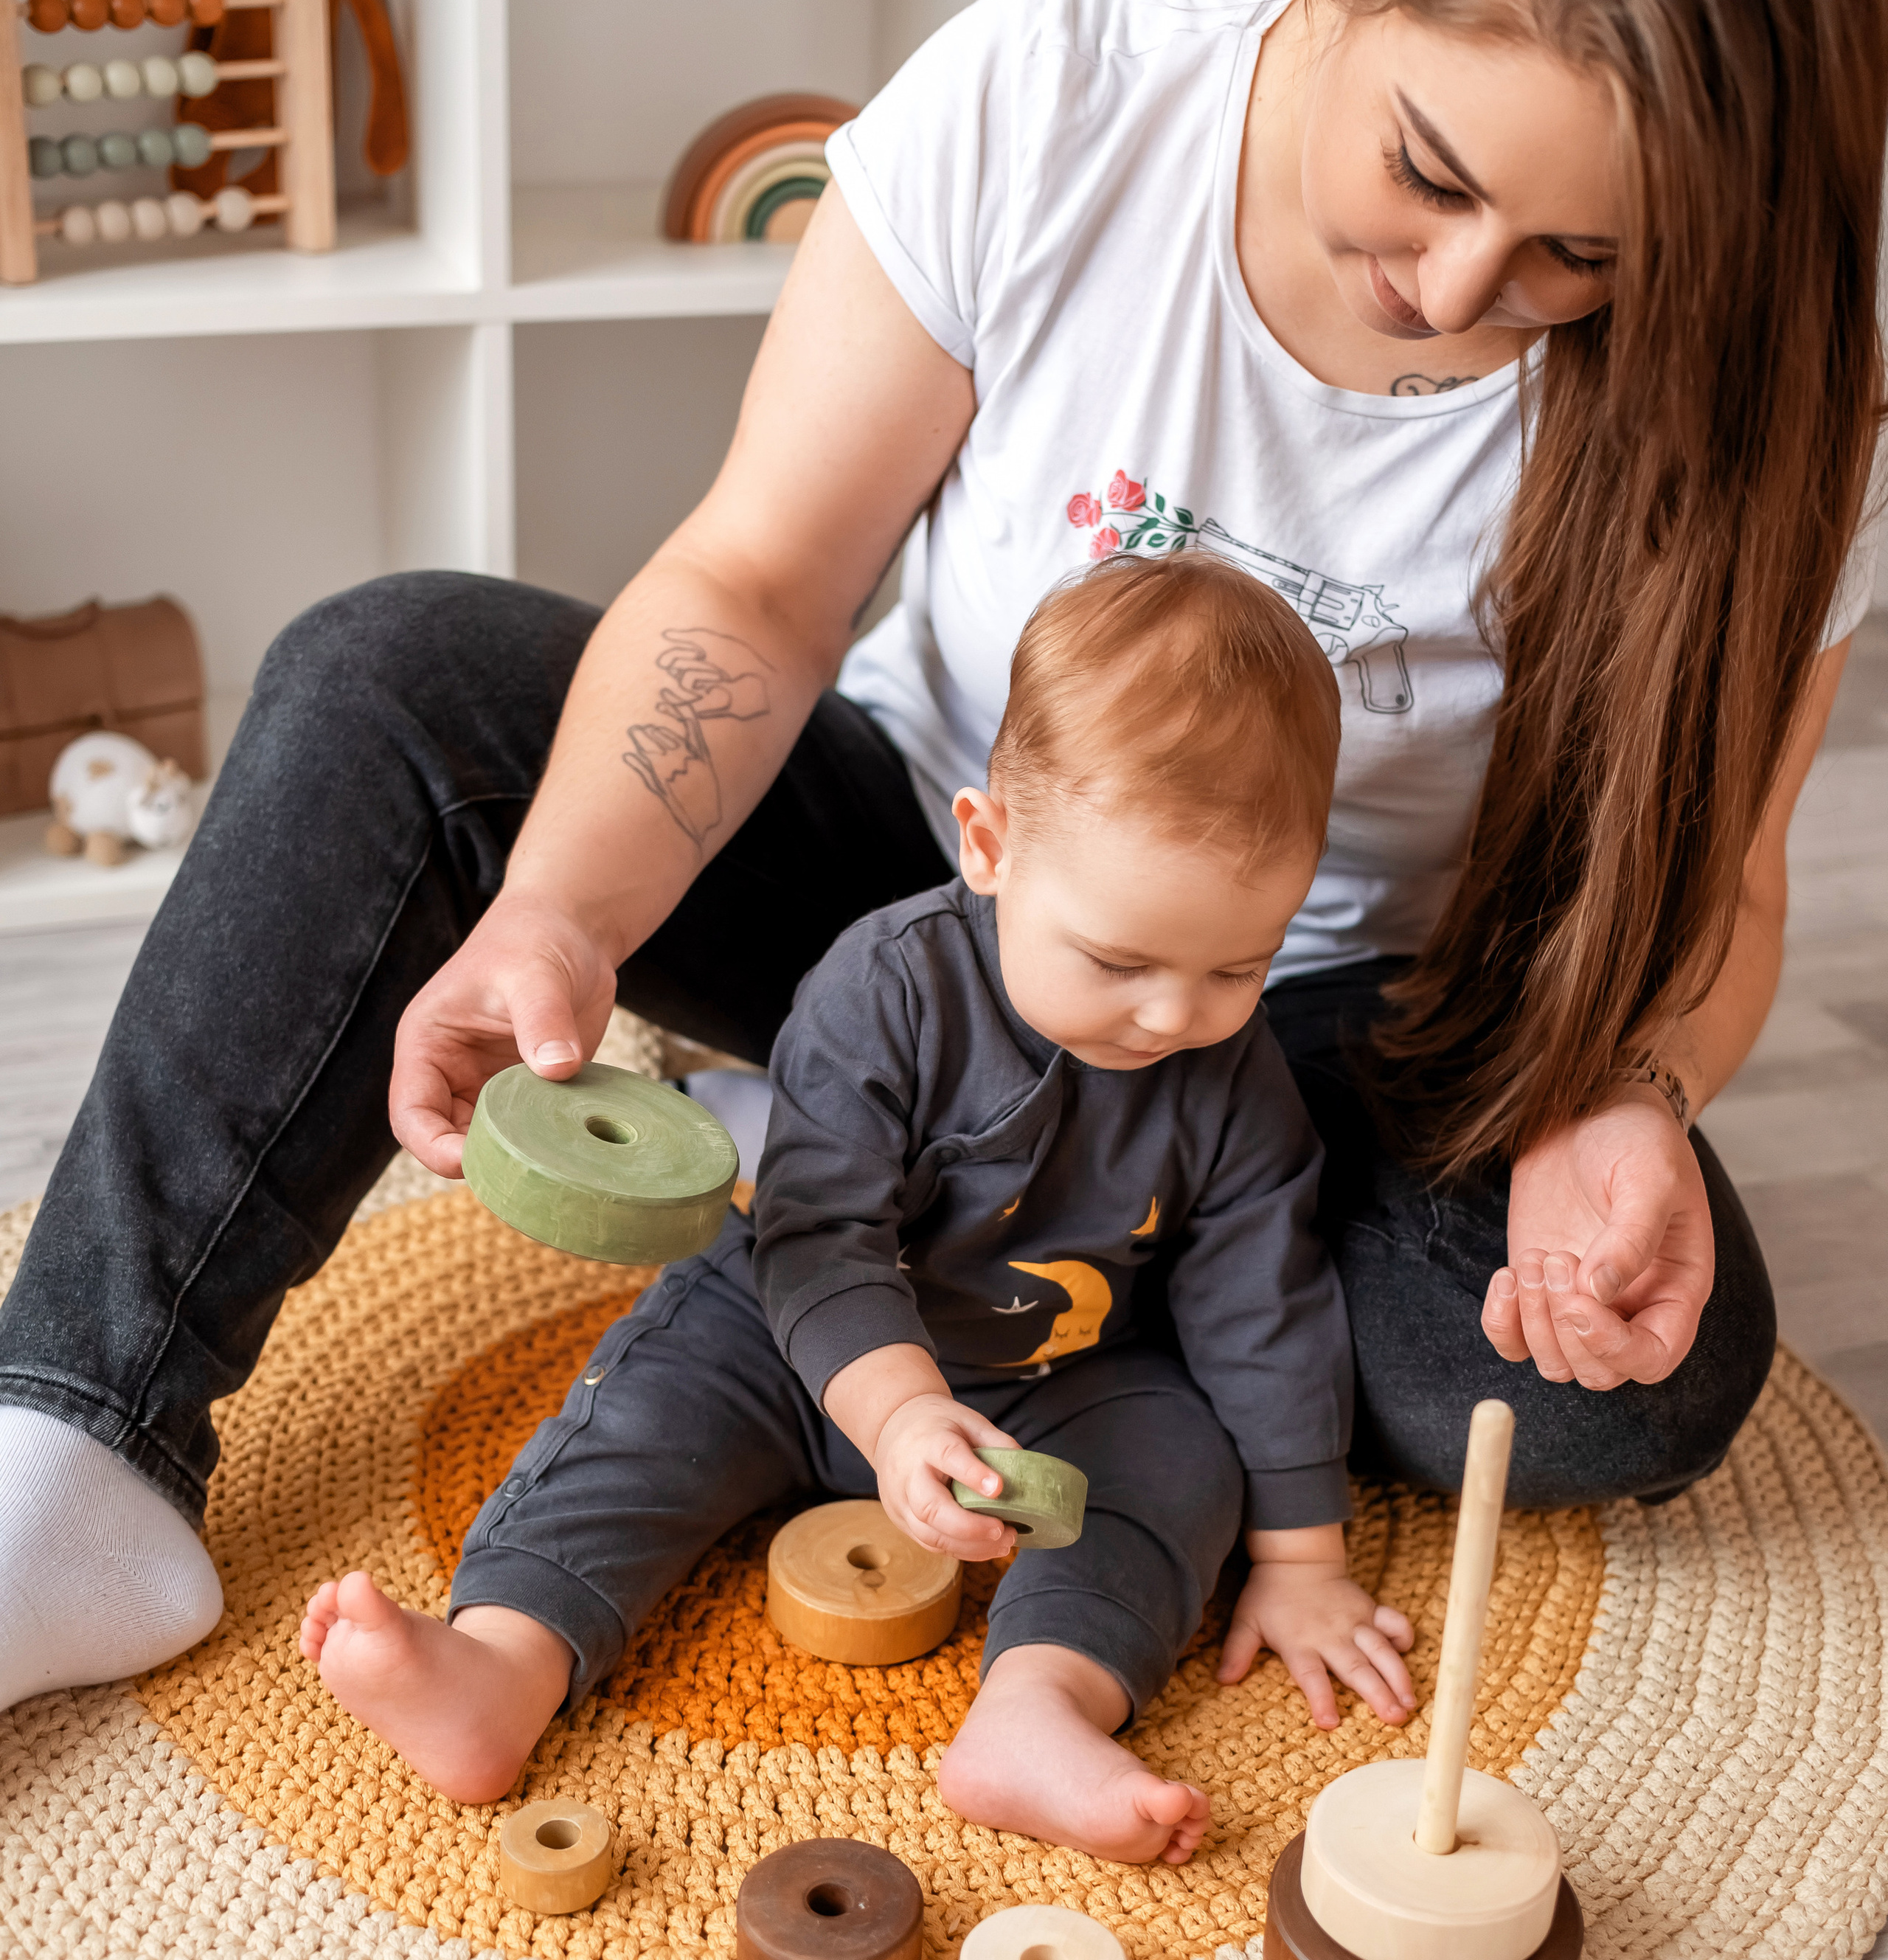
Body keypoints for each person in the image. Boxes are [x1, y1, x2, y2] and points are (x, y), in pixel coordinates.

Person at [1, 0, 1883, 1711]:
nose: (1452, 285)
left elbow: (1720, 878)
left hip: (1328, 1029)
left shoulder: (1773, 387)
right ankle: (79, 1451)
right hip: (939, 888)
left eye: (1572, 259)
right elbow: (758, 583)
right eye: (1426, 174)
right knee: (385, 679)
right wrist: (563, 905)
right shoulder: (1056, 94)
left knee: (1623, 1388)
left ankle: (963, 1192)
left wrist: (1629, 1092)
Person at [299, 558, 1417, 1863]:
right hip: (795, 1336)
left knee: (1178, 1457)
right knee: (647, 1407)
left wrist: (1303, 1559)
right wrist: (894, 1415)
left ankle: (1041, 1707)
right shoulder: (884, 989)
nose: (1175, 1014)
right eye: (1118, 959)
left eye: (1241, 963)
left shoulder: (1237, 1079)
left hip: (1062, 1376)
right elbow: (819, 1233)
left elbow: (1264, 1306)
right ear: (988, 845)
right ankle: (502, 1659)